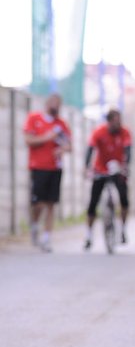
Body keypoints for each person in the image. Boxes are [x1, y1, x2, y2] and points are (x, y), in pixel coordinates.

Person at [23, 93, 72, 253]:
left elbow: (69, 146)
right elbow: (28, 140)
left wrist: (62, 149)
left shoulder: (62, 125)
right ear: (47, 103)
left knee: (51, 204)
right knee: (38, 203)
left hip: (55, 168)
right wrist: (47, 137)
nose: (55, 106)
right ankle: (35, 225)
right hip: (38, 167)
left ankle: (46, 238)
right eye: (53, 103)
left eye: (58, 103)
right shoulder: (34, 118)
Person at [84, 109, 132, 250]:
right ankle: (88, 235)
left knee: (124, 200)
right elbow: (90, 149)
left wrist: (125, 165)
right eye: (115, 121)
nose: (118, 124)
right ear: (109, 121)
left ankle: (123, 229)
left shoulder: (125, 132)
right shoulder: (99, 132)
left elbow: (128, 150)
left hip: (117, 170)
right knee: (93, 202)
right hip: (100, 170)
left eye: (119, 121)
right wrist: (87, 167)